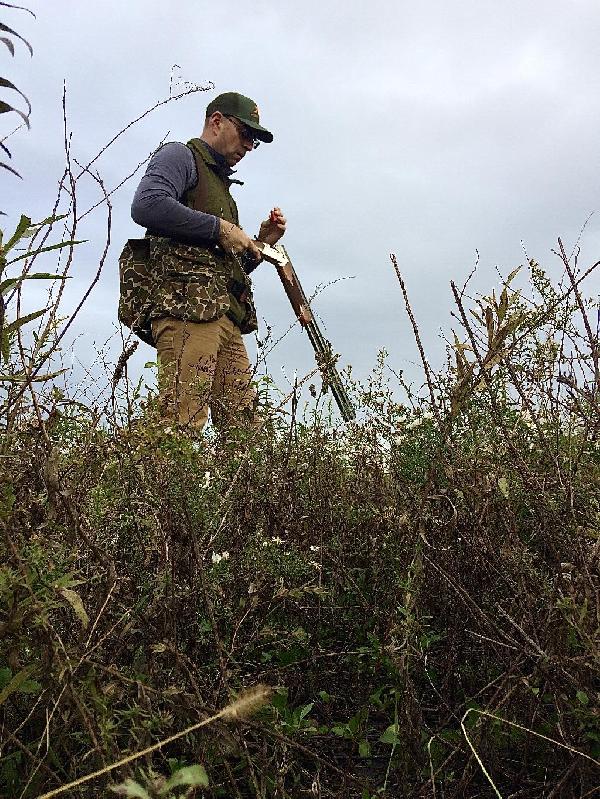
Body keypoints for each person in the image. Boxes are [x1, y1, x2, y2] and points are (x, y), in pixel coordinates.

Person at [125, 91, 286, 429]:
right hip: (188, 314)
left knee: (245, 435)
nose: (249, 146)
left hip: (225, 318)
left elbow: (221, 269)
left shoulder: (221, 187)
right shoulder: (180, 156)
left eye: (255, 140)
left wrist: (259, 242)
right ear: (217, 121)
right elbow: (146, 205)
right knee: (181, 423)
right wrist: (220, 228)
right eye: (246, 133)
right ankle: (129, 481)